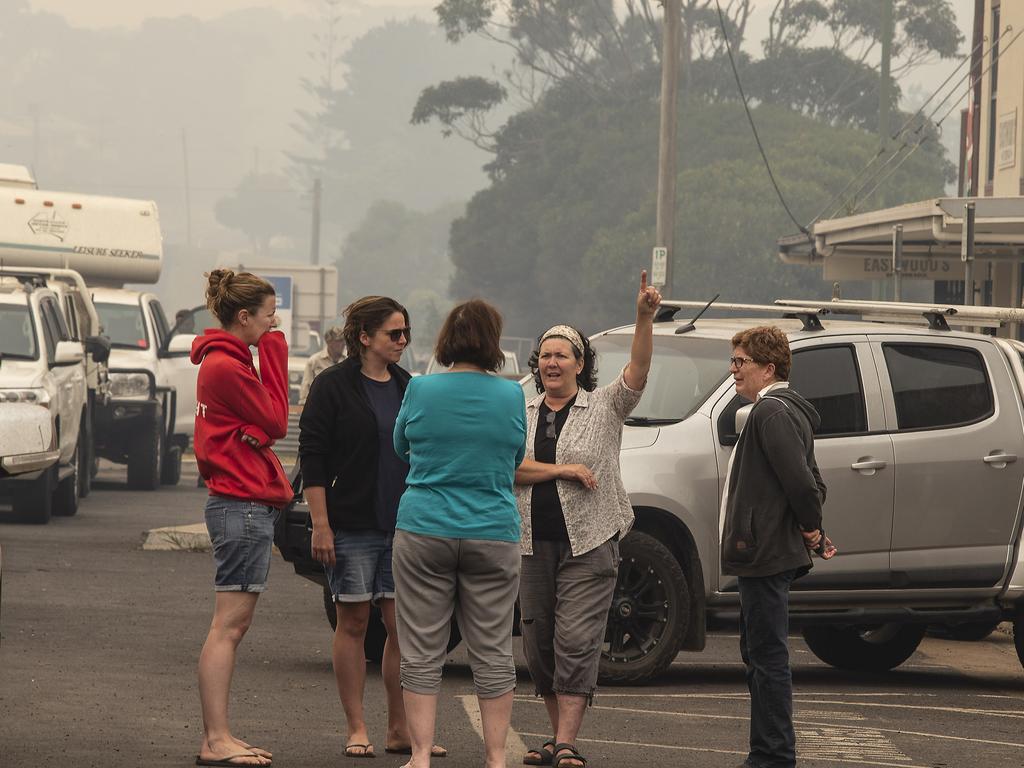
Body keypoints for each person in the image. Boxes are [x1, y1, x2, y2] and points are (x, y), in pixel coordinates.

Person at [514, 270, 661, 768]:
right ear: (537, 364)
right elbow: (507, 467)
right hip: (531, 543)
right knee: (538, 643)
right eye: (546, 355)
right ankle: (556, 737)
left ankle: (568, 742)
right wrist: (561, 469)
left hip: (590, 543)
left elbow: (638, 370)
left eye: (563, 354)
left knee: (576, 639)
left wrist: (644, 318)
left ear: (581, 363)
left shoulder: (604, 407)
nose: (553, 362)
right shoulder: (521, 409)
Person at [299, 296, 444, 760]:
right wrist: (321, 524)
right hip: (351, 523)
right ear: (364, 338)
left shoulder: (408, 386)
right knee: (354, 621)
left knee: (402, 628)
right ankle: (356, 726)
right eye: (393, 334)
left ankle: (400, 729)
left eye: (406, 333)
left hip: (404, 524)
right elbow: (314, 458)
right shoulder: (332, 386)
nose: (403, 341)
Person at [392, 299, 526, 768]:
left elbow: (400, 445)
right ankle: (494, 757)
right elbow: (514, 458)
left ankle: (422, 754)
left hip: (425, 526)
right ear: (493, 343)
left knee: (422, 648)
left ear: (448, 339)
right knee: (492, 650)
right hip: (492, 528)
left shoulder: (421, 389)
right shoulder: (511, 395)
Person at [190, 269, 291, 768]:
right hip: (241, 505)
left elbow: (263, 425)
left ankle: (218, 736)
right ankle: (216, 739)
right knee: (228, 626)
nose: (275, 323)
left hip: (239, 503)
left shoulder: (223, 362)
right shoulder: (229, 365)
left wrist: (258, 427)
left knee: (230, 625)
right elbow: (276, 420)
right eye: (269, 314)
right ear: (245, 316)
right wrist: (273, 351)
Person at [721, 326, 835, 768]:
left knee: (767, 659)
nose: (733, 371)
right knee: (758, 654)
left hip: (765, 555)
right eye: (732, 361)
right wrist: (812, 529)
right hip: (765, 553)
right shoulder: (782, 411)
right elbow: (813, 481)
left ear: (768, 369)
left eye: (740, 362)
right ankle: (767, 752)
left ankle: (772, 756)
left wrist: (811, 526)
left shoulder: (771, 412)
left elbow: (804, 485)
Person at [298, 325, 346, 405]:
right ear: (329, 342)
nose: (343, 344)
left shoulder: (349, 360)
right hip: (321, 405)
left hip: (344, 407)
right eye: (339, 341)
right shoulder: (315, 361)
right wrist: (304, 404)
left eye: (343, 340)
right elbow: (306, 385)